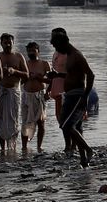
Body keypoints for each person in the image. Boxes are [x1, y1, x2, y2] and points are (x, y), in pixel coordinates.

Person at [48, 31, 95, 167]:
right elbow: (72, 75)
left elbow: (90, 75)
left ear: (64, 43)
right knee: (77, 127)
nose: (57, 50)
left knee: (66, 125)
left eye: (57, 46)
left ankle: (88, 149)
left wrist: (85, 96)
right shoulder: (68, 55)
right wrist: (57, 75)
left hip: (77, 95)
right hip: (69, 94)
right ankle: (83, 159)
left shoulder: (76, 55)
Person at [0, 34, 26, 154]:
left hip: (14, 91)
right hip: (0, 91)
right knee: (1, 120)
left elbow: (27, 75)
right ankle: (3, 148)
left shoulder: (18, 56)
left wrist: (14, 71)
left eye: (10, 42)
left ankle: (13, 147)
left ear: (13, 43)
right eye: (5, 42)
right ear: (1, 43)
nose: (7, 44)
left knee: (14, 119)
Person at [21, 42, 51, 153]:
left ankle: (39, 146)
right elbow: (21, 81)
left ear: (38, 51)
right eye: (29, 51)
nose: (31, 53)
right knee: (25, 122)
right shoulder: (25, 64)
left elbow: (51, 80)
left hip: (40, 95)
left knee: (41, 122)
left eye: (33, 50)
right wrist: (27, 77)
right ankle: (24, 147)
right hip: (27, 95)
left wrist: (39, 78)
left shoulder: (44, 64)